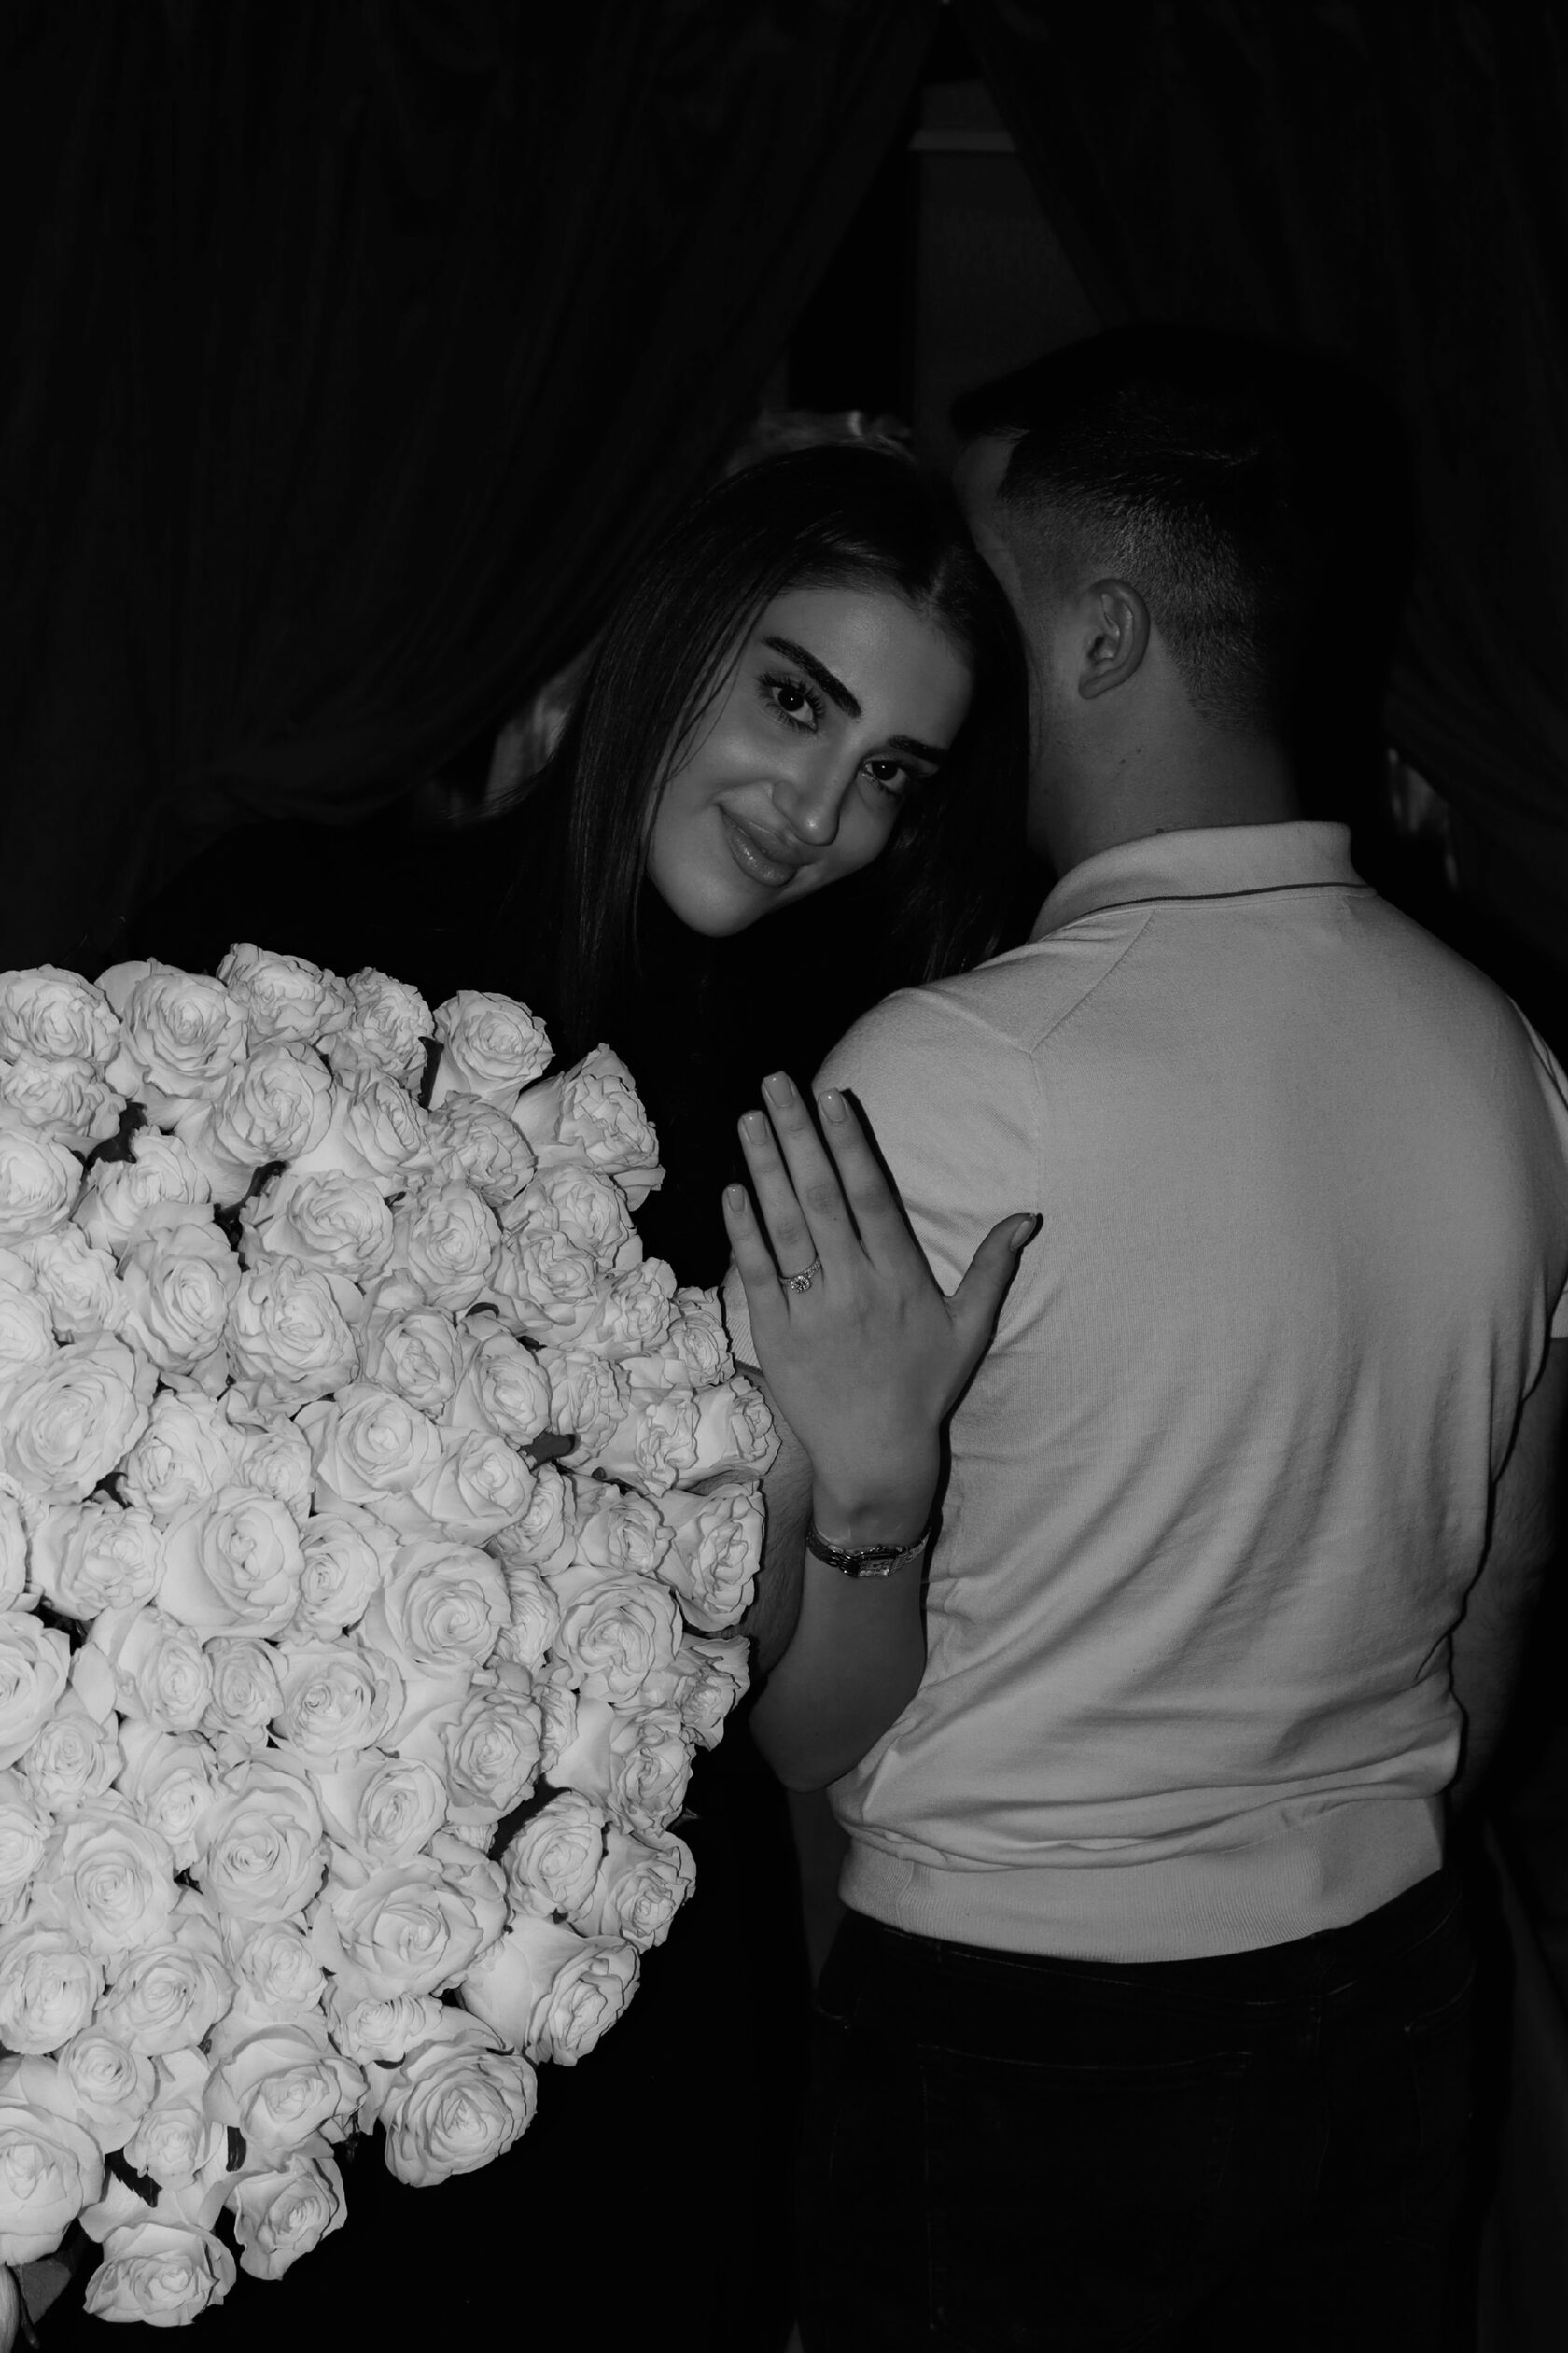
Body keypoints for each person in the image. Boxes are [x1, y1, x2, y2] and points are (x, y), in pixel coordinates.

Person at [86, 442, 1025, 2353]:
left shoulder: (826, 1116)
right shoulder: (287, 929)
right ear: (675, 633)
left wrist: (880, 1479)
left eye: (892, 780)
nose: (819, 813)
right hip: (240, 1988)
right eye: (795, 701)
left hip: (606, 2029)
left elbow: (802, 1730)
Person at [721, 327, 1568, 2351]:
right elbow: (1502, 1579)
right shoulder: (1511, 1059)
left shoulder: (940, 1078)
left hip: (1020, 2038)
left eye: (991, 595)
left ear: (1101, 636)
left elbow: (797, 1720)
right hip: (1391, 1989)